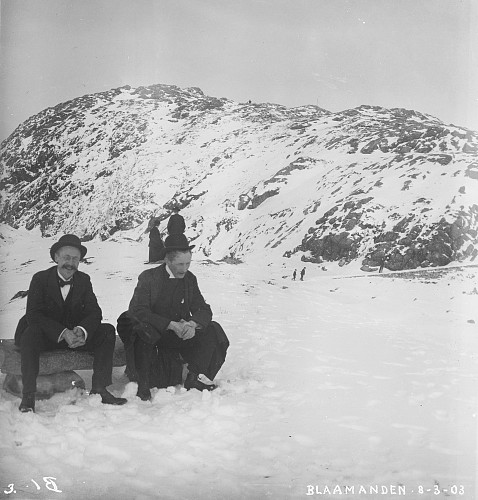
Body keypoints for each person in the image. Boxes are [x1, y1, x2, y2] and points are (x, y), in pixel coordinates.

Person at [14, 234, 127, 412]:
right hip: (47, 336)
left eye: (75, 259)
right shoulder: (40, 279)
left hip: (75, 338)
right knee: (30, 334)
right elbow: (34, 315)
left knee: (107, 331)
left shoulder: (83, 280)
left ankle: (99, 388)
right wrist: (62, 332)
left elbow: (94, 312)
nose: (71, 263)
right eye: (67, 257)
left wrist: (83, 331)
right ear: (56, 257)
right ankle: (28, 395)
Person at [128, 233, 229, 401]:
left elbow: (203, 309)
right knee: (143, 330)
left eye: (188, 264)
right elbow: (138, 311)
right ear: (168, 260)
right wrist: (169, 324)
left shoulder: (189, 279)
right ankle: (143, 384)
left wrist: (192, 324)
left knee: (214, 329)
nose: (184, 269)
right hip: (155, 334)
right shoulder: (149, 277)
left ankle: (196, 377)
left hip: (180, 333)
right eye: (180, 264)